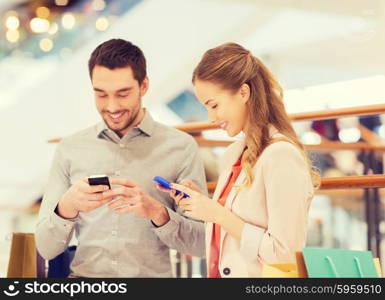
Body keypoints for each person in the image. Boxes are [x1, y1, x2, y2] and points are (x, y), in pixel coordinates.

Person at [35, 39, 207, 278]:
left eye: (123, 94)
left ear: (144, 85)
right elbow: (45, 247)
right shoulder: (70, 149)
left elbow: (202, 244)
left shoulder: (181, 148)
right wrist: (67, 207)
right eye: (101, 94)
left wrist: (158, 213)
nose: (112, 106)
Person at [159, 43, 319, 277]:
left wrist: (218, 213)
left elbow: (284, 255)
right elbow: (232, 234)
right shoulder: (234, 154)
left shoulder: (281, 155)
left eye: (214, 105)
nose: (211, 117)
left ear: (243, 92)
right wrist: (204, 204)